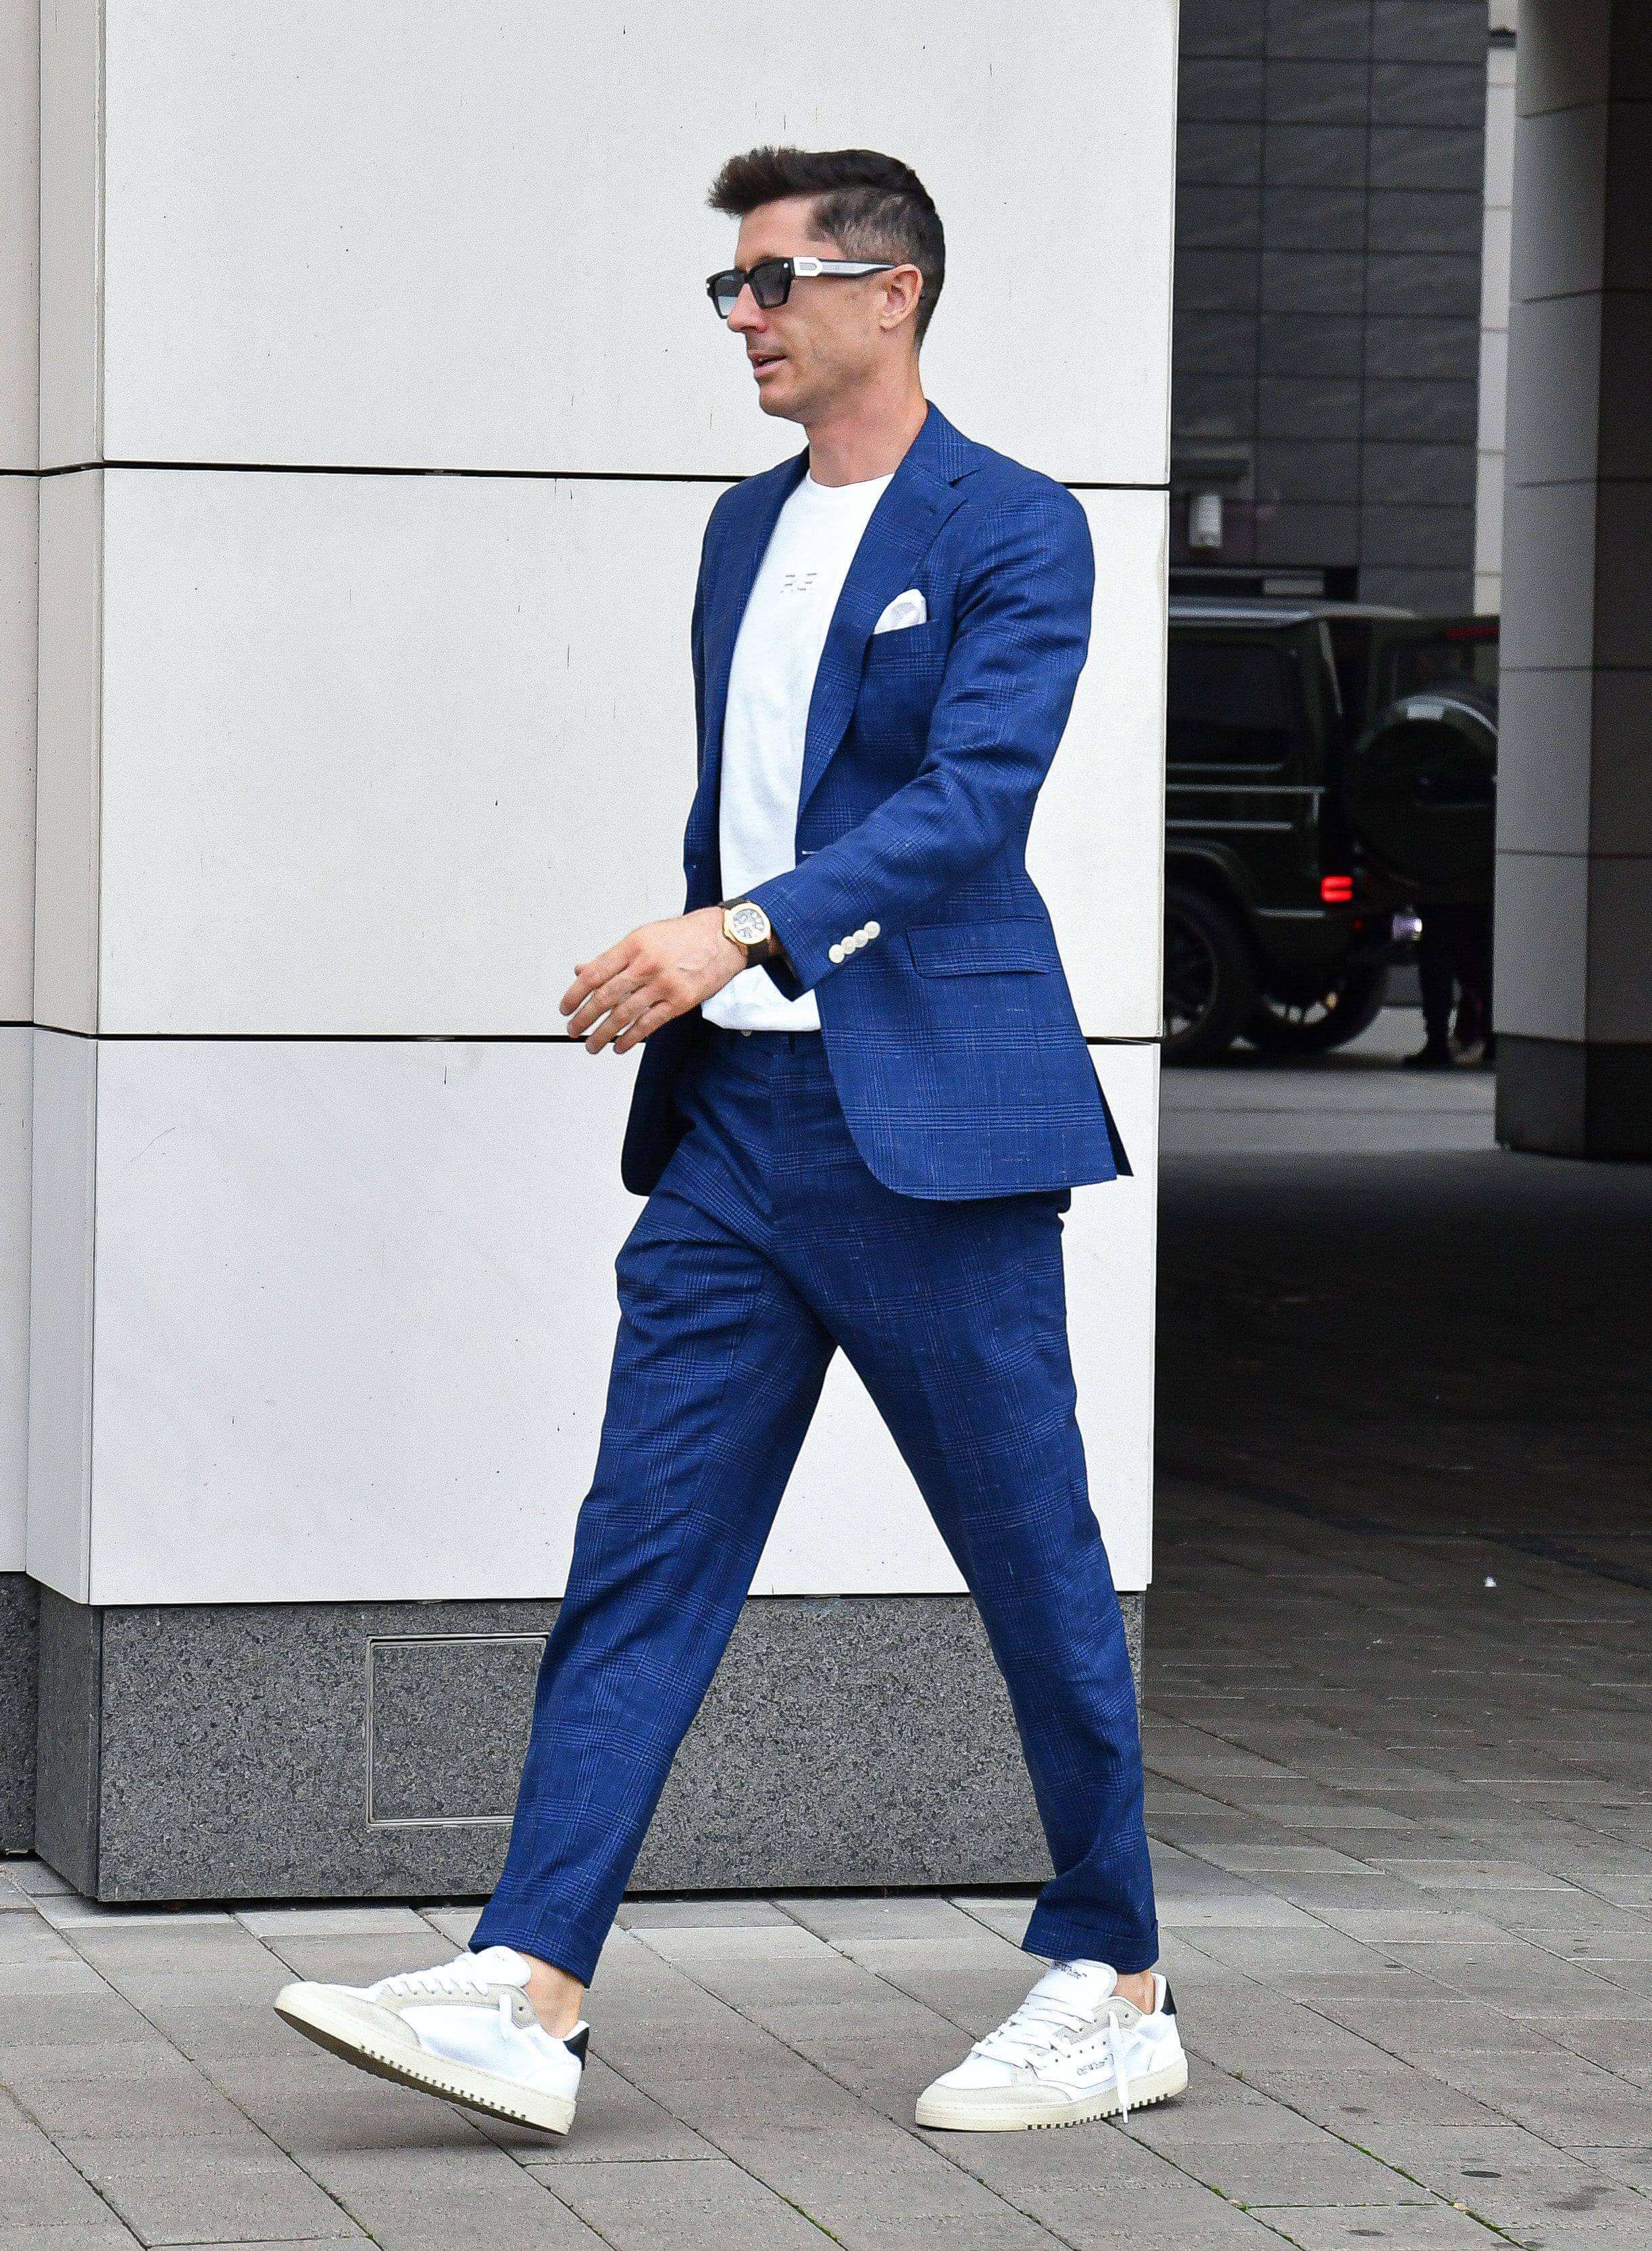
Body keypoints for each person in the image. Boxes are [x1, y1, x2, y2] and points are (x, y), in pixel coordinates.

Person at [269, 147, 1179, 2142]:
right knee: (642, 1551)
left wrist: (736, 928)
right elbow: (749, 792)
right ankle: (527, 1981)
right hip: (738, 1127)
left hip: (927, 1131)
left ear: (896, 293)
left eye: (774, 284)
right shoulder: (737, 532)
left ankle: (1110, 1970)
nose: (745, 320)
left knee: (1029, 1558)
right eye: (733, 290)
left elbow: (968, 808)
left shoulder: (1017, 531)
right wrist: (714, 963)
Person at [1405, 901, 1488, 1069]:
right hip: (1475, 892)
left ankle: (1438, 1041)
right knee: (1478, 958)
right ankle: (1490, 1039)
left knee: (1437, 959)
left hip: (1439, 895)